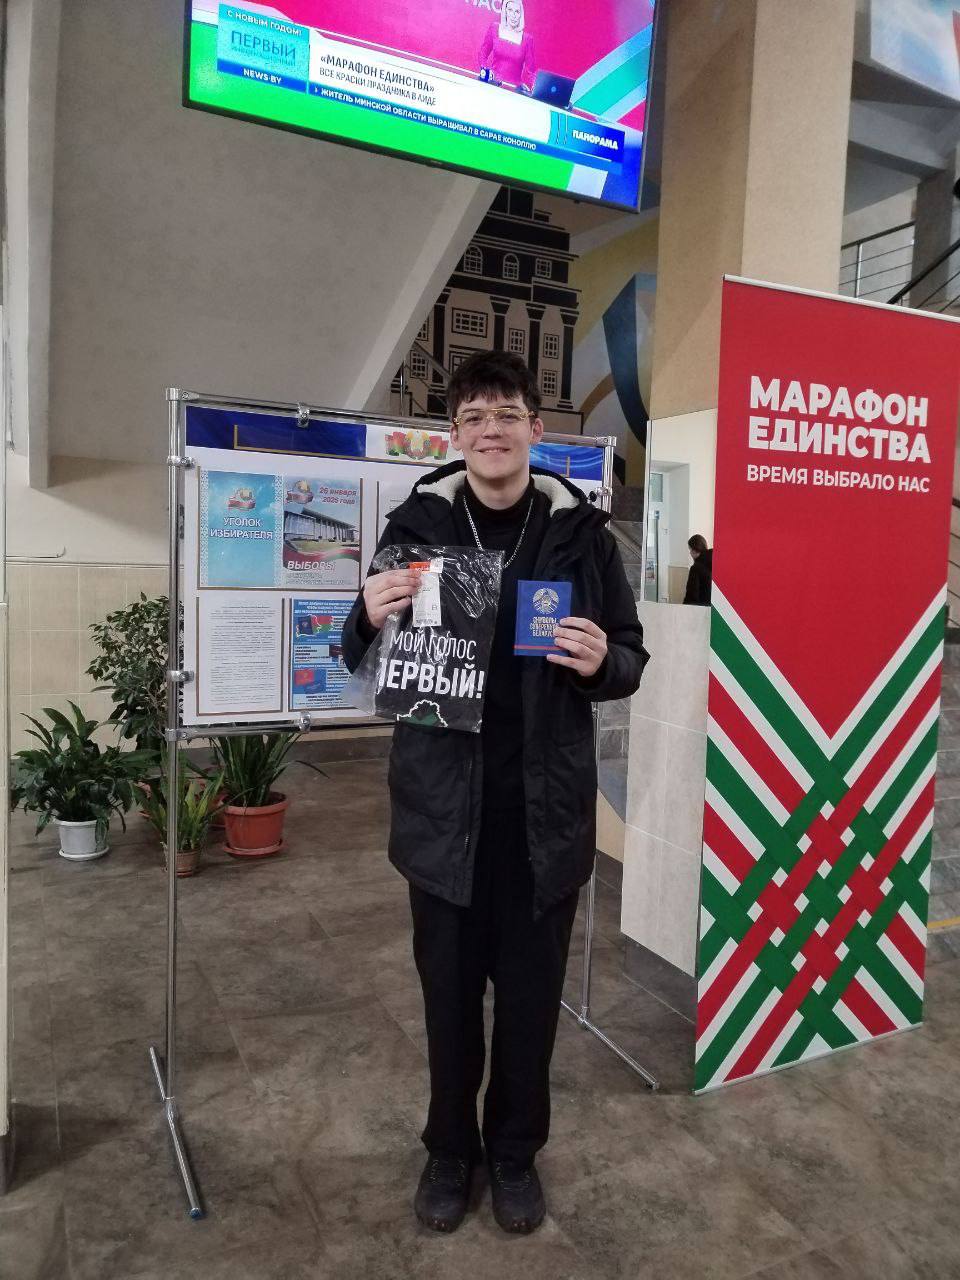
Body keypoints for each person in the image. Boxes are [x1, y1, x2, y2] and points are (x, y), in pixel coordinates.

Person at [342, 350, 648, 1236]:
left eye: (507, 414)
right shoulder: (417, 525)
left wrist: (604, 662)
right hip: (443, 817)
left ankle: (514, 1153)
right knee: (447, 1001)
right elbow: (358, 653)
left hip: (542, 819)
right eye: (474, 417)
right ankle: (449, 1150)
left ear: (535, 430)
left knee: (527, 1003)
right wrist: (366, 612)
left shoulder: (581, 535)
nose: (490, 431)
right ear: (455, 434)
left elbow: (629, 654)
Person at [478, 0, 536, 93]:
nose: (513, 15)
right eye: (510, 10)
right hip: (492, 86)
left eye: (517, 11)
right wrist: (485, 71)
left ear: (521, 15)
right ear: (505, 12)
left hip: (514, 91)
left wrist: (534, 88)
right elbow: (483, 53)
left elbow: (531, 72)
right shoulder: (494, 28)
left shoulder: (527, 39)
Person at [682, 533, 713, 605]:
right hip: (715, 608)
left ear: (695, 550)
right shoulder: (716, 562)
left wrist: (684, 609)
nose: (690, 553)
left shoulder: (696, 568)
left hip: (701, 608)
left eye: (690, 549)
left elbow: (691, 595)